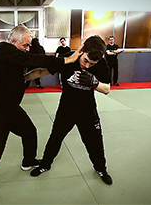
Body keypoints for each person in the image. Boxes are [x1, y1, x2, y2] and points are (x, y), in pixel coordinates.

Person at [0, 25, 83, 205]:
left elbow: (37, 61)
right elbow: (33, 59)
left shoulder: (15, 57)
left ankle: (28, 160)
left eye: (29, 45)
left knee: (30, 132)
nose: (28, 48)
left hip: (11, 108)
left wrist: (34, 40)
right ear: (13, 41)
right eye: (25, 45)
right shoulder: (2, 49)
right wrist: (68, 60)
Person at [27, 35, 113, 186]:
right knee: (55, 138)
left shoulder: (101, 64)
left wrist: (94, 82)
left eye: (91, 64)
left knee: (95, 142)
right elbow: (40, 72)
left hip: (87, 110)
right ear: (81, 50)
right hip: (66, 108)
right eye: (85, 60)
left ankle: (101, 169)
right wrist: (20, 78)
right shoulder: (67, 59)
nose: (87, 66)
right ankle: (45, 165)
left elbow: (106, 89)